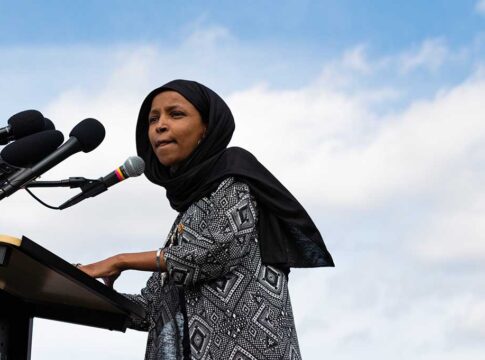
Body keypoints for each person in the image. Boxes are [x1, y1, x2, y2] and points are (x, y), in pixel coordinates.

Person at [80, 80, 334, 360]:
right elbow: (151, 309)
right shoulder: (187, 216)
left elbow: (213, 253)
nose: (160, 126)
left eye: (175, 114)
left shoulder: (235, 178)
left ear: (206, 129)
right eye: (153, 119)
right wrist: (76, 290)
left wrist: (120, 260)